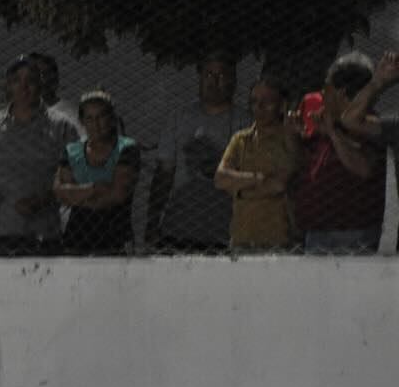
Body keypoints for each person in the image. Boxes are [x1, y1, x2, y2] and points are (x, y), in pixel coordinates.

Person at [0, 56, 77, 255]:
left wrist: (42, 200)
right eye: (17, 80)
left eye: (31, 81)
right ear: (8, 86)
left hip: (44, 234)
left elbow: (73, 180)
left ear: (40, 85)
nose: (24, 87)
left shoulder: (62, 126)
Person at [147, 51, 242, 252]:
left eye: (221, 75)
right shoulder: (178, 118)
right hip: (179, 228)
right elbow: (164, 173)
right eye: (208, 75)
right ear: (199, 77)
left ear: (233, 80)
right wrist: (153, 220)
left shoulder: (246, 122)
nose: (214, 82)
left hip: (225, 230)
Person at [290, 52, 385, 253]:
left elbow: (364, 168)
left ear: (341, 93)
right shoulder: (328, 124)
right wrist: (295, 136)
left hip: (351, 235)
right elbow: (306, 168)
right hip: (317, 233)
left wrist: (333, 133)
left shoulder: (367, 126)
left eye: (326, 88)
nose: (321, 95)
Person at [214, 76, 299, 251]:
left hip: (277, 240)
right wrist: (258, 178)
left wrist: (240, 191)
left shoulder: (289, 139)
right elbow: (220, 178)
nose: (258, 108)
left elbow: (280, 184)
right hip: (241, 239)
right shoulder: (241, 139)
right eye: (254, 101)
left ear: (282, 105)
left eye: (266, 102)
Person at [53, 90, 139, 254]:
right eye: (90, 119)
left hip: (115, 239)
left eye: (101, 117)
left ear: (112, 118)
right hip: (76, 240)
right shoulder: (72, 151)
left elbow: (117, 195)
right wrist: (95, 188)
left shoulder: (127, 148)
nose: (96, 124)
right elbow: (61, 194)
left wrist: (78, 195)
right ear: (82, 122)